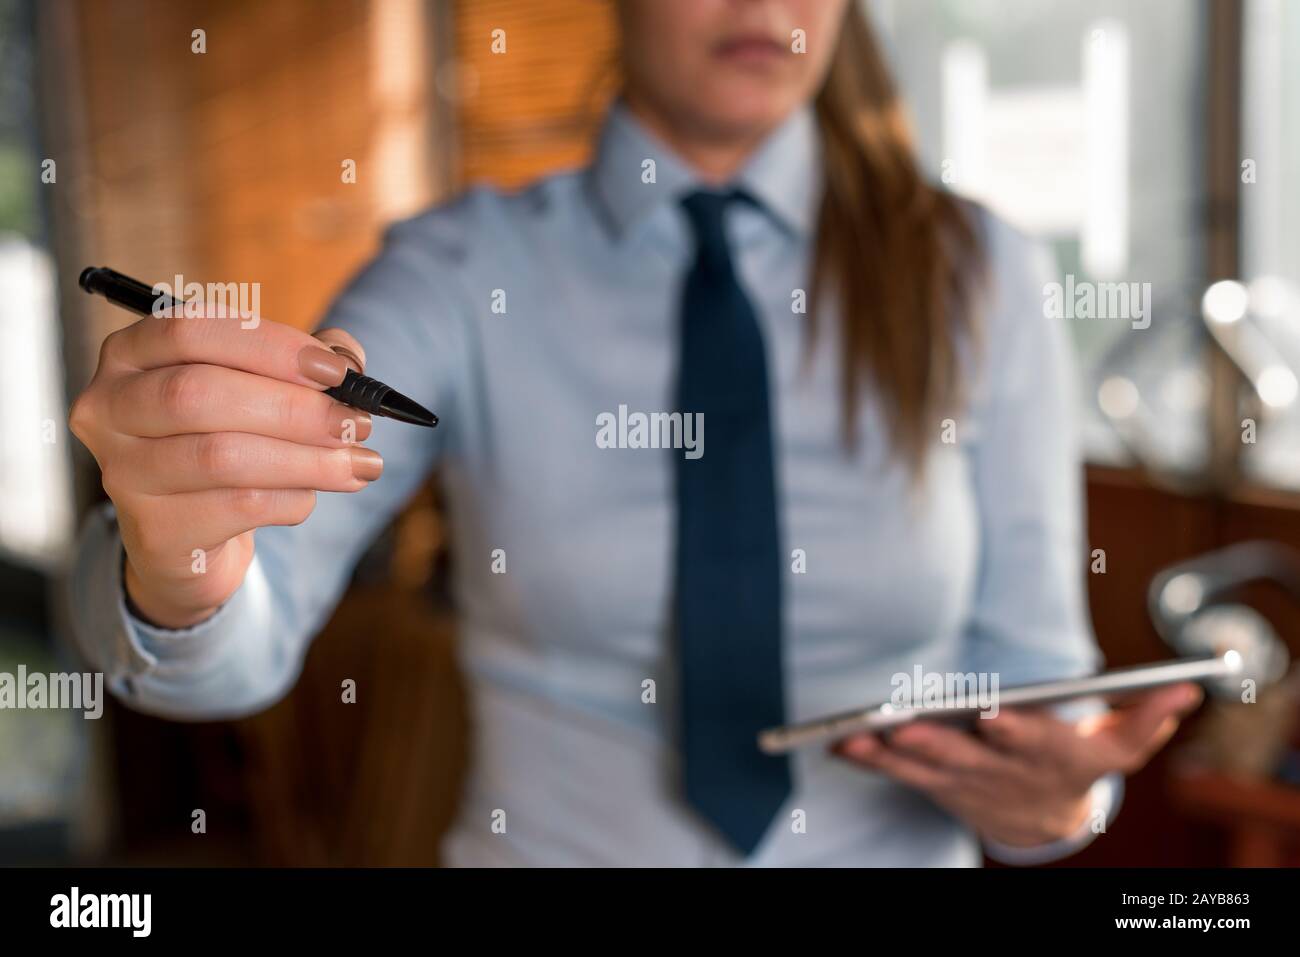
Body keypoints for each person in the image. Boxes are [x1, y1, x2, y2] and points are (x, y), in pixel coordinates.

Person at [67, 0, 1200, 866]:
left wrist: (1065, 802)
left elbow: (1041, 692)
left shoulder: (977, 274)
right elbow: (228, 659)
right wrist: (182, 559)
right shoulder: (464, 269)